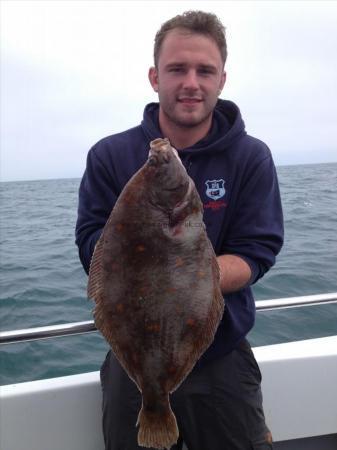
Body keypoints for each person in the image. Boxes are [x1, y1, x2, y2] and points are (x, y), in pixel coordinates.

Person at [75, 10, 284, 450]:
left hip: (222, 355)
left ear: (222, 79)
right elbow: (89, 243)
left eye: (204, 70)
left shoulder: (251, 157)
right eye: (177, 69)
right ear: (155, 77)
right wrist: (152, 252)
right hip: (133, 363)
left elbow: (258, 250)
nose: (191, 82)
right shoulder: (109, 156)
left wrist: (187, 273)